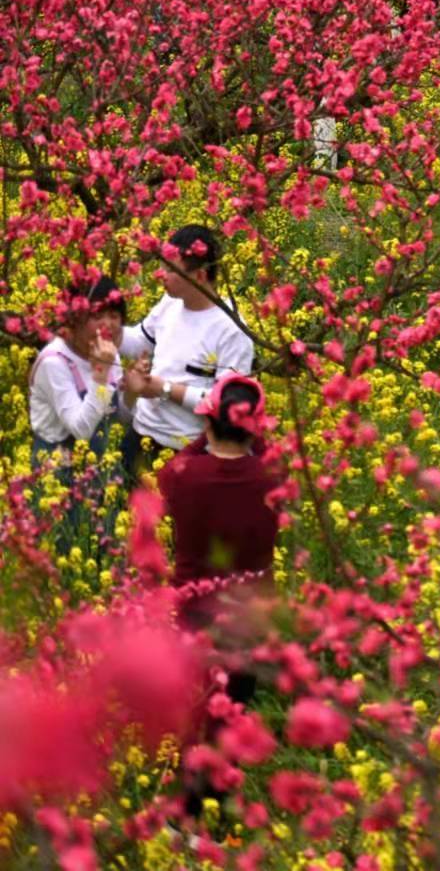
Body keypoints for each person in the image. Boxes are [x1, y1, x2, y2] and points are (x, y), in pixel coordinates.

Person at [158, 373, 279, 821]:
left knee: (193, 715)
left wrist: (202, 436)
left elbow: (177, 467)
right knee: (233, 712)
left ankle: (182, 817)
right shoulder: (271, 476)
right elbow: (268, 454)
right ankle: (218, 806)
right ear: (255, 428)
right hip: (251, 618)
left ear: (209, 421)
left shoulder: (182, 475)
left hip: (193, 615)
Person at [120, 226, 255, 463]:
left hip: (185, 452)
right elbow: (140, 342)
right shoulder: (169, 304)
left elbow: (226, 403)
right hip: (140, 435)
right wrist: (103, 330)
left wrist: (164, 389)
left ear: (200, 275)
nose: (160, 275)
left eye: (170, 270)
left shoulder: (232, 329)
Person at [28, 278, 128, 548]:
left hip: (101, 464)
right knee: (63, 546)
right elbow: (80, 429)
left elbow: (116, 415)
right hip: (59, 471)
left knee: (102, 545)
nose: (108, 324)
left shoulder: (107, 354)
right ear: (73, 318)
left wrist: (135, 392)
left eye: (114, 315)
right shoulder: (54, 362)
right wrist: (101, 374)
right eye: (97, 315)